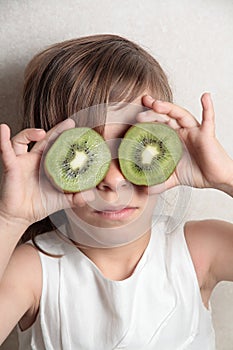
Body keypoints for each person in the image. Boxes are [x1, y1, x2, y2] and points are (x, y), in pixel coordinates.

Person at [0, 34, 233, 350]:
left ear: (165, 145)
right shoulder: (32, 271)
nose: (113, 179)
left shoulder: (199, 251)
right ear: (47, 158)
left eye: (134, 144)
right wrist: (10, 217)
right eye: (88, 149)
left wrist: (225, 178)